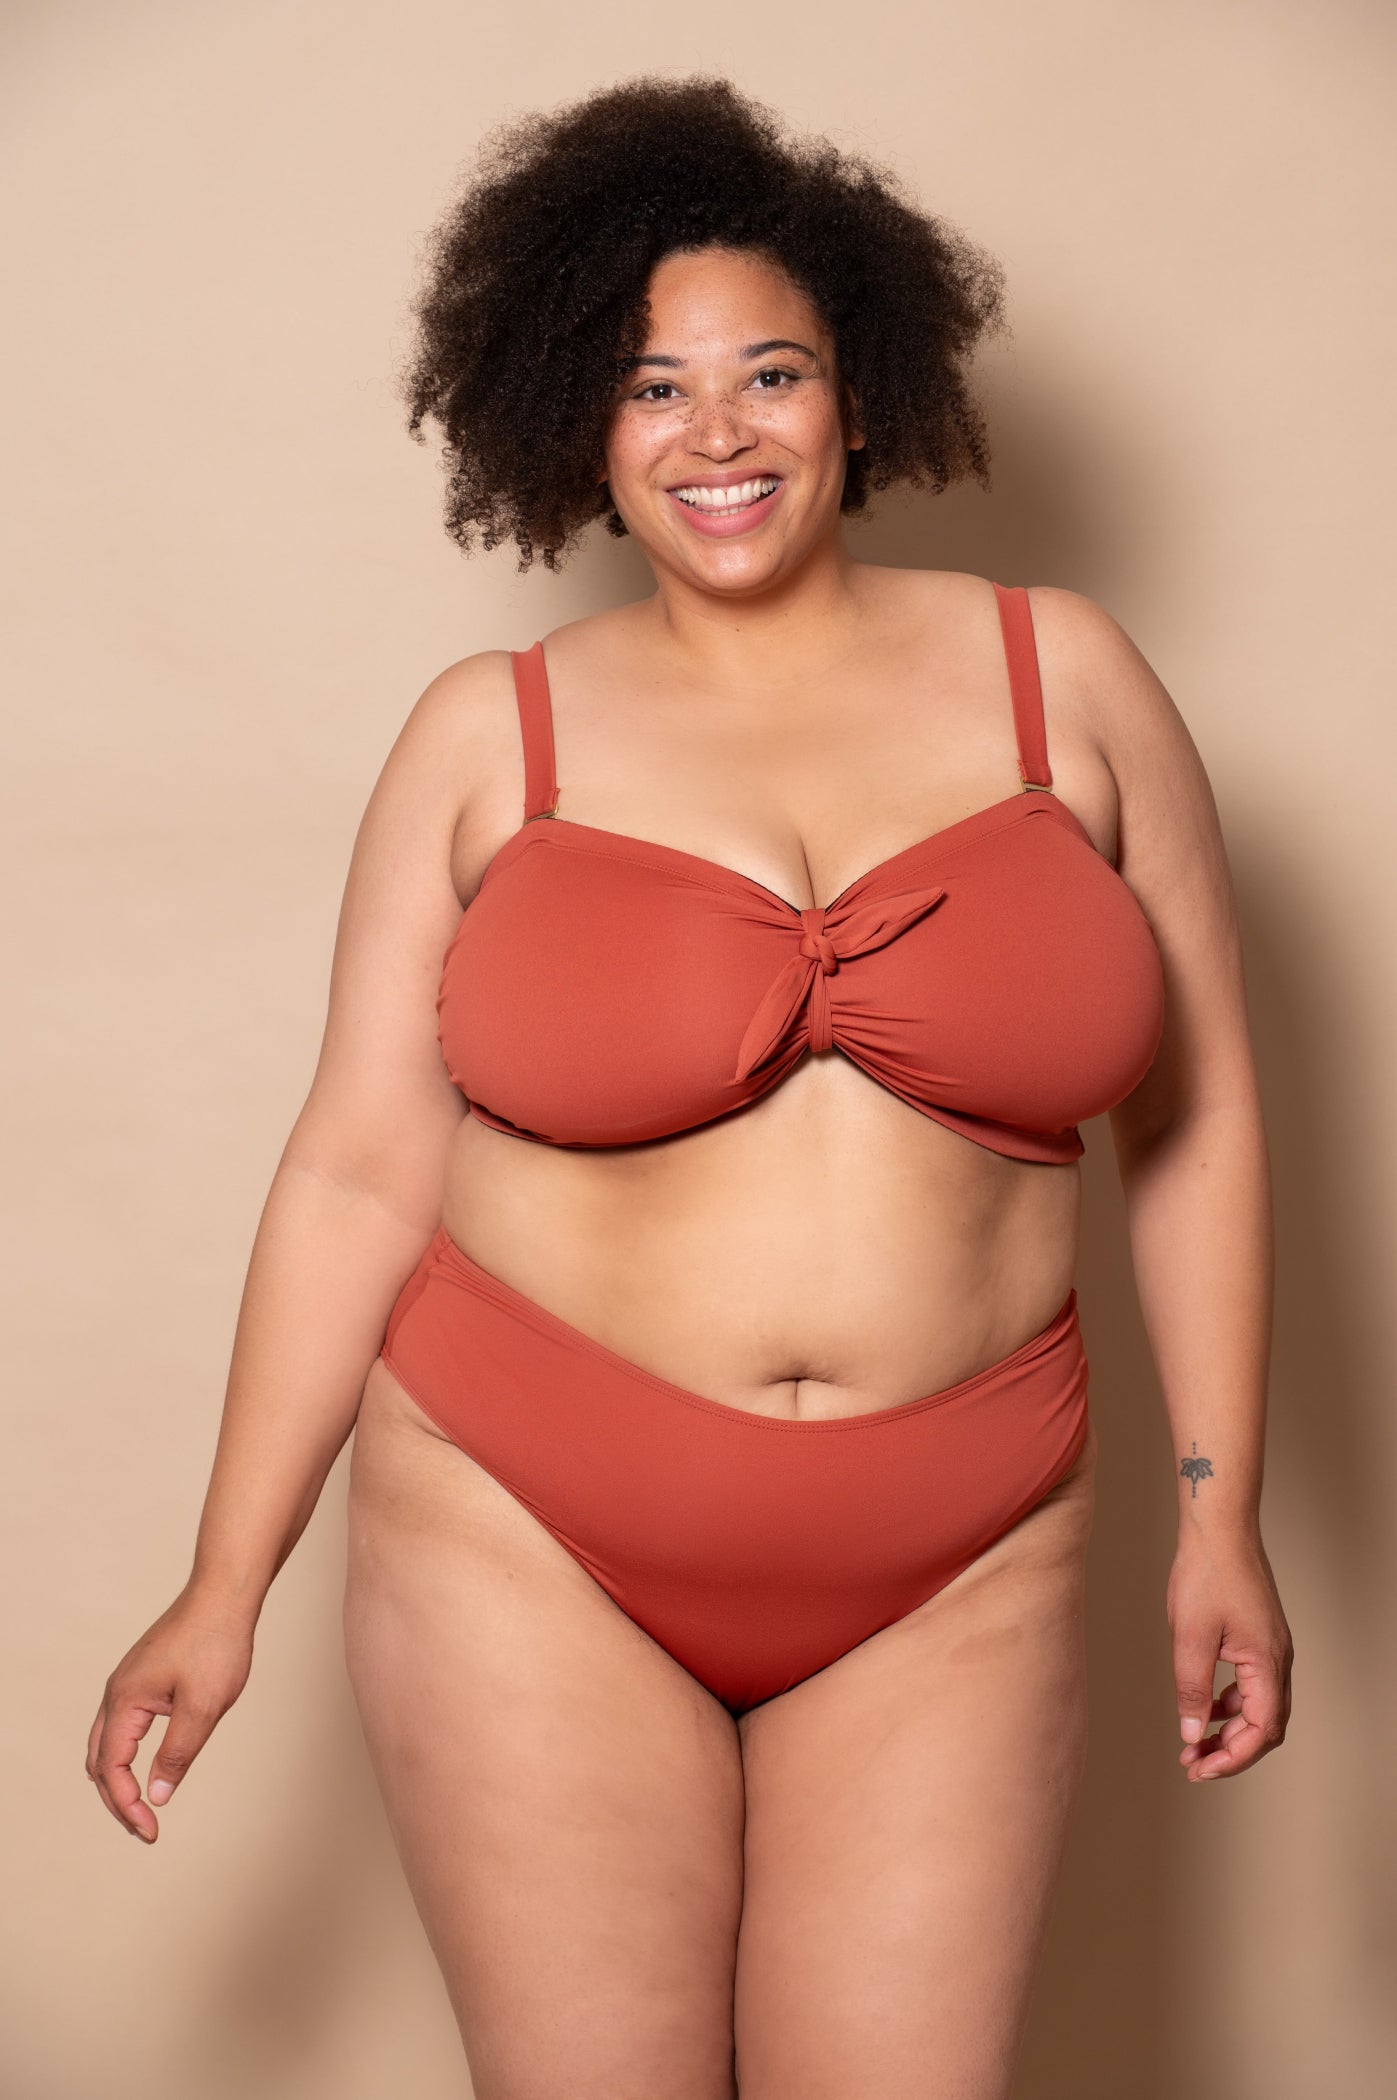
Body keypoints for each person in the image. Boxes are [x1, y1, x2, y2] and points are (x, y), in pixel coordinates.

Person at [86, 74, 1293, 2100]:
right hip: (526, 1521)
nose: (717, 434)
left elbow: (1202, 1122)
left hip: (966, 1540)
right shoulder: (491, 736)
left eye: (771, 375)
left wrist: (1222, 1510)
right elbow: (359, 1171)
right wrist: (226, 1581)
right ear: (572, 414)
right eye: (653, 388)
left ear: (860, 392)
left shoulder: (1060, 679)